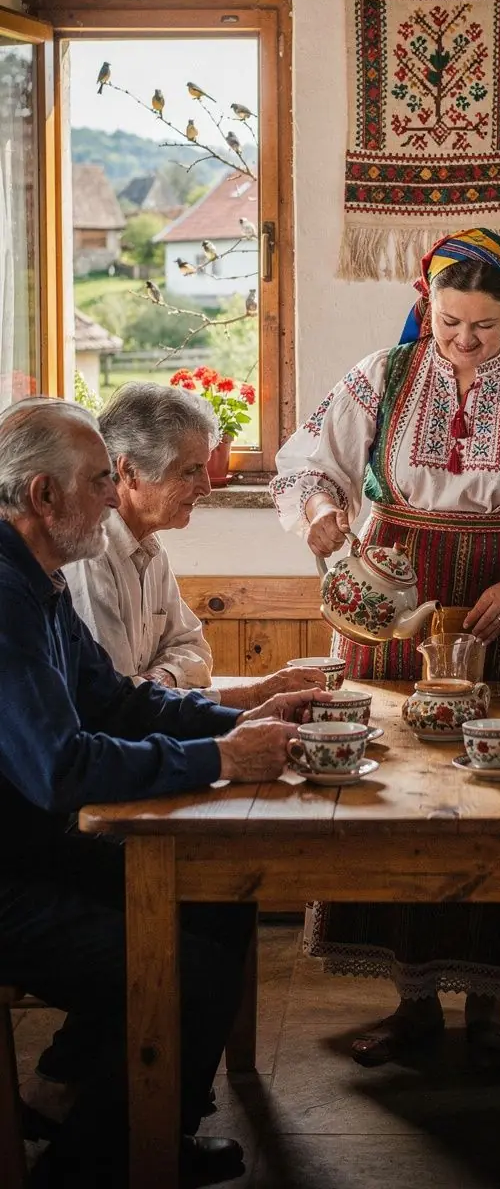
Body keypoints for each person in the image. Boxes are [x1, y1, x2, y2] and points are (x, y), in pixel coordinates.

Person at [271, 226, 500, 1067]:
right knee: (395, 789)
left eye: (483, 326)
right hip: (391, 603)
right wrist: (320, 511)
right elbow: (309, 461)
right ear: (427, 305)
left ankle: (491, 1004)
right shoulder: (382, 375)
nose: (462, 338)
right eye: (448, 320)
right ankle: (411, 998)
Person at [0, 397, 329, 1185]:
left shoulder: (40, 581)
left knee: (219, 894)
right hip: (11, 877)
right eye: (98, 482)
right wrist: (221, 757)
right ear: (43, 496)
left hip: (35, 850)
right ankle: (101, 1166)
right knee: (187, 967)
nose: (112, 497)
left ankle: (141, 1129)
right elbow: (61, 768)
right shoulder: (6, 597)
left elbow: (118, 702)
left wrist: (240, 718)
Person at [64, 382, 322, 710]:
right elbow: (119, 705)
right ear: (129, 471)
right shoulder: (90, 557)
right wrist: (254, 696)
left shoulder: (149, 547)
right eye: (191, 470)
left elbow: (193, 649)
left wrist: (164, 677)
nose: (206, 487)